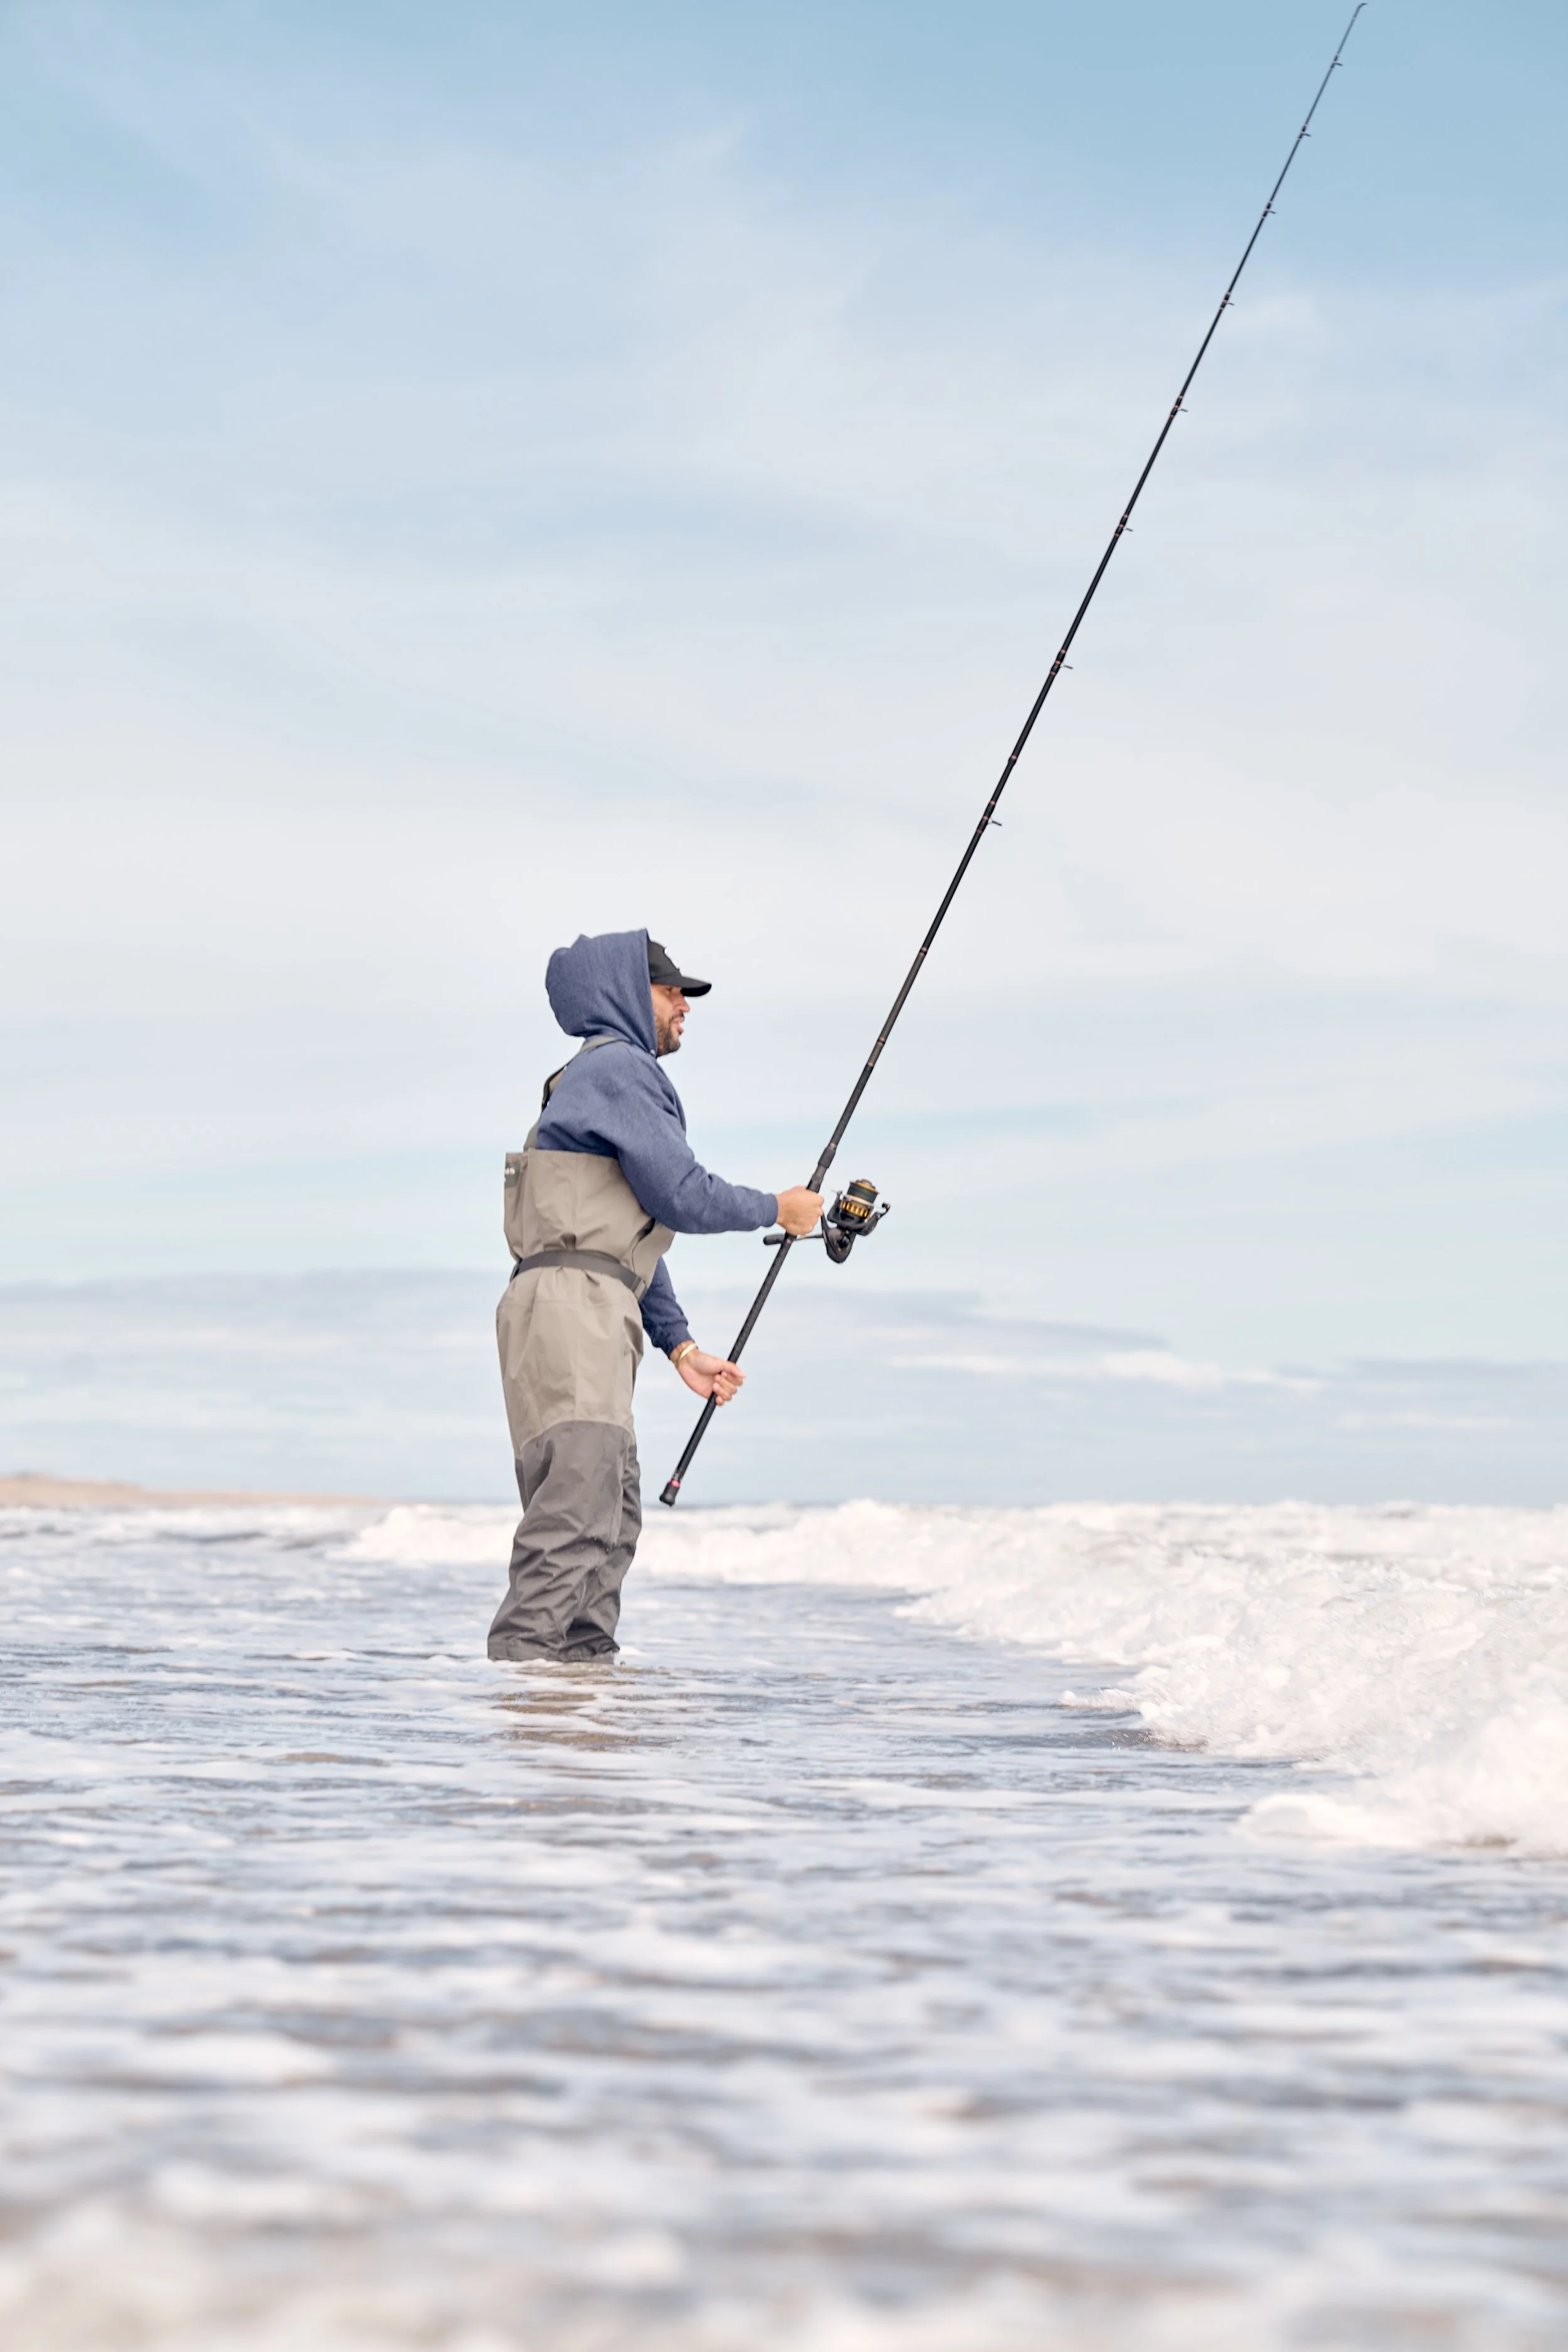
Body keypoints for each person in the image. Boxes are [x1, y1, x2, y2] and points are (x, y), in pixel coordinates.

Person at [489, 928, 822, 1662]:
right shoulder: (620, 1071)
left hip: (586, 1300)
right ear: (625, 994)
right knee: (576, 1515)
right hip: (572, 1309)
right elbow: (680, 1194)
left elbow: (627, 1229)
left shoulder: (593, 1077)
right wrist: (778, 1209)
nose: (684, 1006)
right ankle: (521, 1707)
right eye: (674, 991)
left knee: (610, 1516)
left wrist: (681, 1345)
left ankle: (577, 1715)